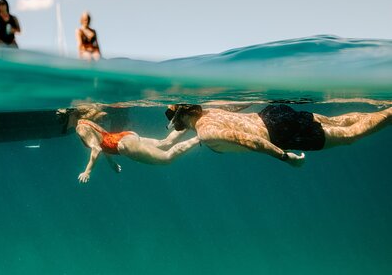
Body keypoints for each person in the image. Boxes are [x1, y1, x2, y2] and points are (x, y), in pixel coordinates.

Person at [164, 103, 392, 163]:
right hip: (272, 114)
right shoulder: (210, 111)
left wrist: (284, 157)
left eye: (170, 117)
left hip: (278, 133)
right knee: (336, 121)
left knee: (348, 136)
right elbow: (236, 110)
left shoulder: (206, 132)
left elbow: (250, 140)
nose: (172, 124)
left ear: (181, 116)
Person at [75, 119, 200, 183]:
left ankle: (200, 138)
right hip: (126, 136)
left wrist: (87, 172)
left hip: (124, 145)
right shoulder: (85, 122)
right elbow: (102, 143)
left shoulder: (80, 128)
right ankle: (188, 123)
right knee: (165, 142)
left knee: (166, 158)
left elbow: (96, 149)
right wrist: (111, 162)